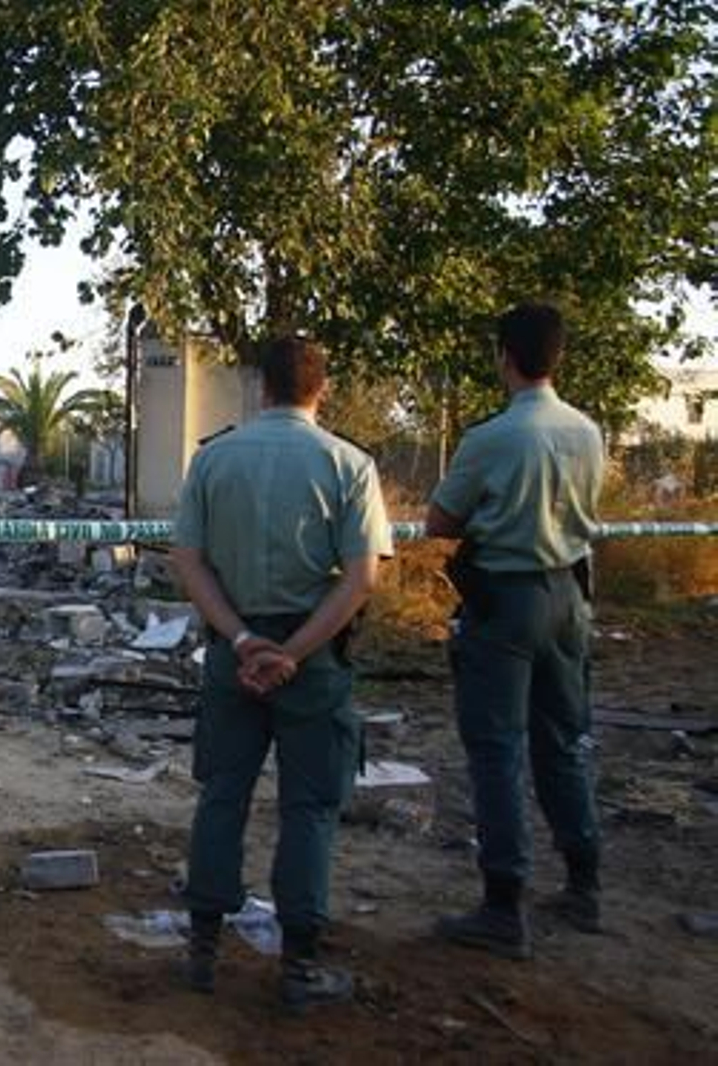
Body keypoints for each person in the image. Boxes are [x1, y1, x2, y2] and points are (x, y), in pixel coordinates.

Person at [170, 335, 393, 1013]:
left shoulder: (213, 460)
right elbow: (360, 579)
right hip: (314, 660)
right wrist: (292, 652)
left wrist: (241, 639)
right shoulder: (350, 465)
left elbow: (187, 560)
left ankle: (202, 951)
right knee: (310, 808)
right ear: (321, 389)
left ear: (257, 385)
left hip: (232, 657)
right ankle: (298, 967)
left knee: (222, 795)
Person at [428, 302, 605, 959]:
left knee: (496, 748)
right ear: (557, 357)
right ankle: (584, 882)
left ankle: (504, 904)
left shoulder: (493, 437)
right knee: (560, 740)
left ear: (504, 355)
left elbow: (440, 522)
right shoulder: (588, 432)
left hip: (504, 600)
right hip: (569, 597)